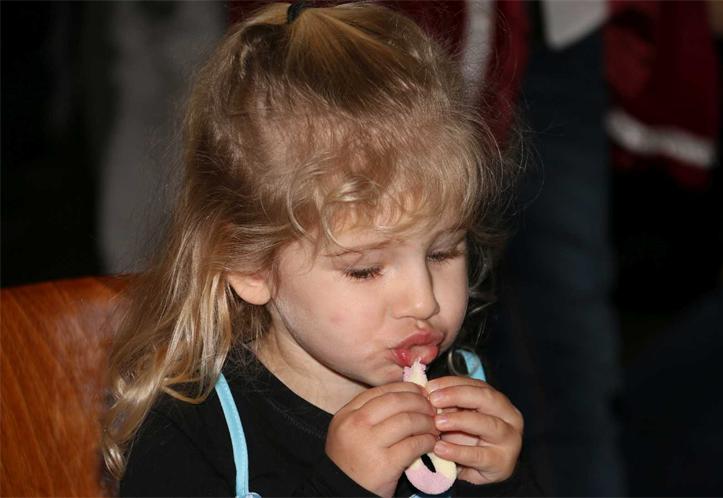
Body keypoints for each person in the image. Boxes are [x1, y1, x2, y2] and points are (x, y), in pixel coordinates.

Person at [102, 2, 539, 497]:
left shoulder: (461, 391)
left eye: (441, 253)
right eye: (365, 269)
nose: (424, 301)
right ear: (249, 264)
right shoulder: (193, 432)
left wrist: (505, 482)